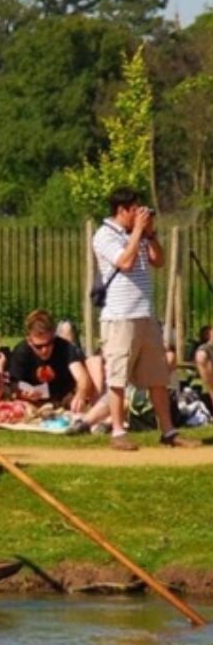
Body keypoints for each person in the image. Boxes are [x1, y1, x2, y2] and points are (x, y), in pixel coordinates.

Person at [93, 188, 200, 450]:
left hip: (145, 315)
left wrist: (148, 233)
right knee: (117, 378)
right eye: (135, 210)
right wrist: (138, 232)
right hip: (120, 318)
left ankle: (169, 432)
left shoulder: (138, 235)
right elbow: (125, 263)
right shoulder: (104, 235)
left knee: (158, 377)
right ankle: (118, 433)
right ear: (122, 210)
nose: (139, 214)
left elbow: (159, 260)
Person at [6, 309, 94, 415]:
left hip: (64, 398)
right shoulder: (21, 351)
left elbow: (82, 377)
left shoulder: (64, 347)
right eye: (38, 346)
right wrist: (23, 394)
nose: (44, 350)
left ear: (53, 336)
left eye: (49, 344)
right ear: (29, 341)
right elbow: (14, 384)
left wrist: (80, 395)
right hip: (34, 402)